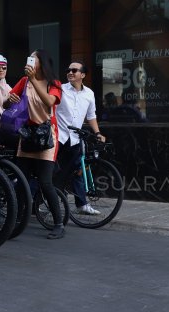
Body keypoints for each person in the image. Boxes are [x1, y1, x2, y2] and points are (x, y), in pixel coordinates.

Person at [7, 49, 64, 239]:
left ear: (42, 63)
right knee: (21, 180)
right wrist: (10, 100)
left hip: (47, 137)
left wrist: (32, 80)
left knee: (45, 182)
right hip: (27, 135)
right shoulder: (23, 81)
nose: (30, 61)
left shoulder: (53, 84)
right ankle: (16, 218)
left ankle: (58, 224)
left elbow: (50, 102)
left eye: (34, 58)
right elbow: (6, 104)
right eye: (29, 57)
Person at [55, 61, 106, 216]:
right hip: (58, 137)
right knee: (48, 171)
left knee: (78, 170)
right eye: (68, 70)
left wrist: (97, 133)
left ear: (82, 75)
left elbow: (91, 116)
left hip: (75, 139)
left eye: (74, 70)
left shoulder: (89, 94)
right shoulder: (61, 89)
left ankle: (82, 205)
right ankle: (32, 201)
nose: (70, 72)